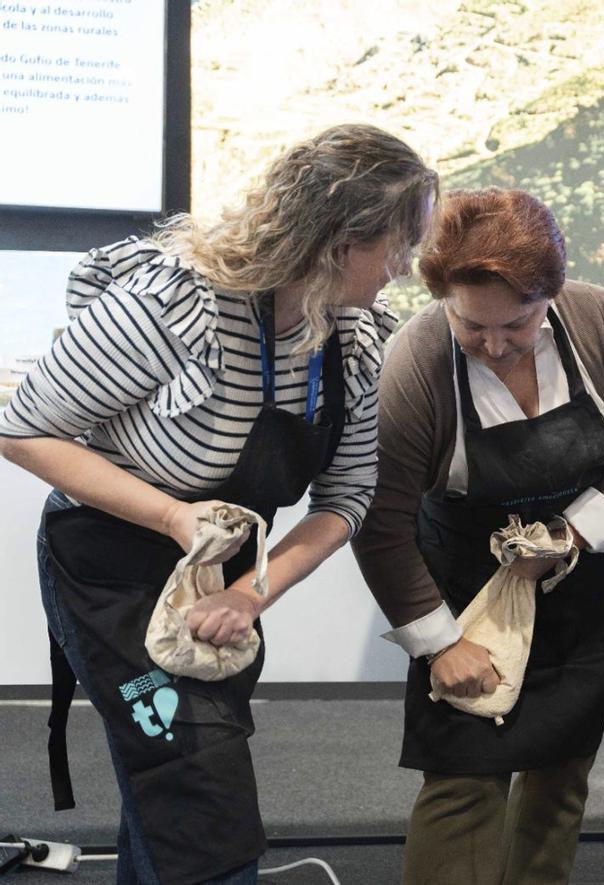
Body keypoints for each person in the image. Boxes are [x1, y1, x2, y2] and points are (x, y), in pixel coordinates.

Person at [0, 123, 437, 884]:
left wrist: (250, 591)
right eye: (399, 243)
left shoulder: (354, 335)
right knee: (196, 786)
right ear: (340, 240)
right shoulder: (176, 305)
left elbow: (348, 495)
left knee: (172, 782)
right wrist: (171, 515)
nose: (406, 266)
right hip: (108, 567)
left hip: (221, 581)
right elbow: (22, 428)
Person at [351, 187, 604, 885]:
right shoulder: (415, 362)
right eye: (474, 328)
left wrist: (565, 539)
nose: (496, 346)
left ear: (551, 296)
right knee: (463, 778)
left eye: (518, 325)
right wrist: (440, 643)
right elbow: (381, 523)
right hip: (468, 592)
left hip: (585, 581)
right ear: (443, 297)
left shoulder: (600, 321)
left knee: (561, 772)